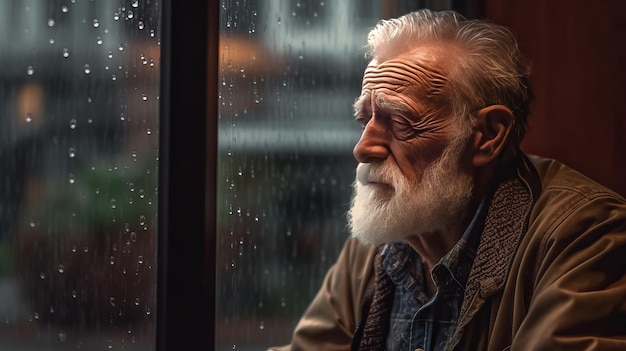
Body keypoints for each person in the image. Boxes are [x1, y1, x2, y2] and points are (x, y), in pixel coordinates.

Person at [270, 9, 626, 351]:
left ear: (487, 135)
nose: (363, 149)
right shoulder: (378, 241)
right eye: (366, 120)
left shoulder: (587, 236)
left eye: (401, 122)